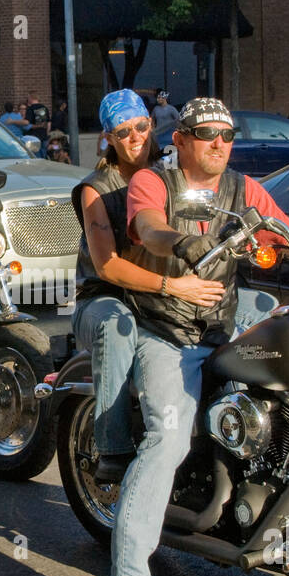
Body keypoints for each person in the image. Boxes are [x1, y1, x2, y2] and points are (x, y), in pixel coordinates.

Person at [112, 97, 289, 576]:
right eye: (205, 134)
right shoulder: (155, 182)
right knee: (169, 437)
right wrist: (184, 241)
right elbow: (148, 228)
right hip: (167, 332)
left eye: (227, 135)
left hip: (224, 324)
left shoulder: (244, 191)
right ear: (179, 139)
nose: (218, 144)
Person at [71, 90, 222, 487]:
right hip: (106, 298)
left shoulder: (169, 172)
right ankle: (113, 450)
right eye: (123, 131)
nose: (135, 136)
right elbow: (107, 266)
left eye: (141, 126)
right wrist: (173, 286)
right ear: (108, 138)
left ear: (151, 124)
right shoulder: (95, 189)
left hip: (159, 296)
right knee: (115, 324)